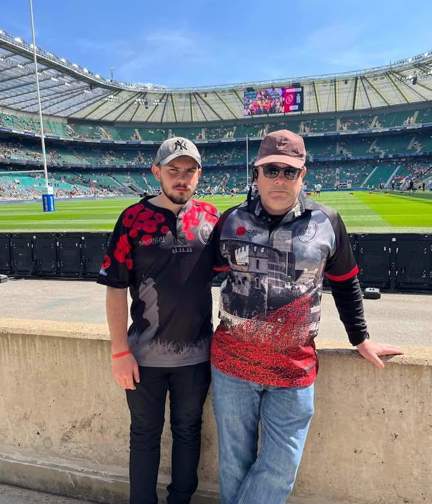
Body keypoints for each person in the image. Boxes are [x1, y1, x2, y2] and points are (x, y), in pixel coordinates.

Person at [210, 130, 402, 504]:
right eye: (271, 170)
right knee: (234, 464)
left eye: (289, 172)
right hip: (231, 366)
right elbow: (201, 277)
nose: (279, 179)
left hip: (294, 370)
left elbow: (347, 283)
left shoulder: (327, 221)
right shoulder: (231, 221)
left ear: (303, 175)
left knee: (281, 469)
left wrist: (359, 338)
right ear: (257, 174)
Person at [97, 137, 219, 504]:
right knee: (145, 436)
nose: (182, 179)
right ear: (157, 173)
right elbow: (115, 287)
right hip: (144, 358)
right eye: (173, 171)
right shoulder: (132, 219)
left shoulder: (211, 218)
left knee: (188, 431)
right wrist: (119, 350)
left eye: (189, 171)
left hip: (197, 356)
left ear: (199, 174)